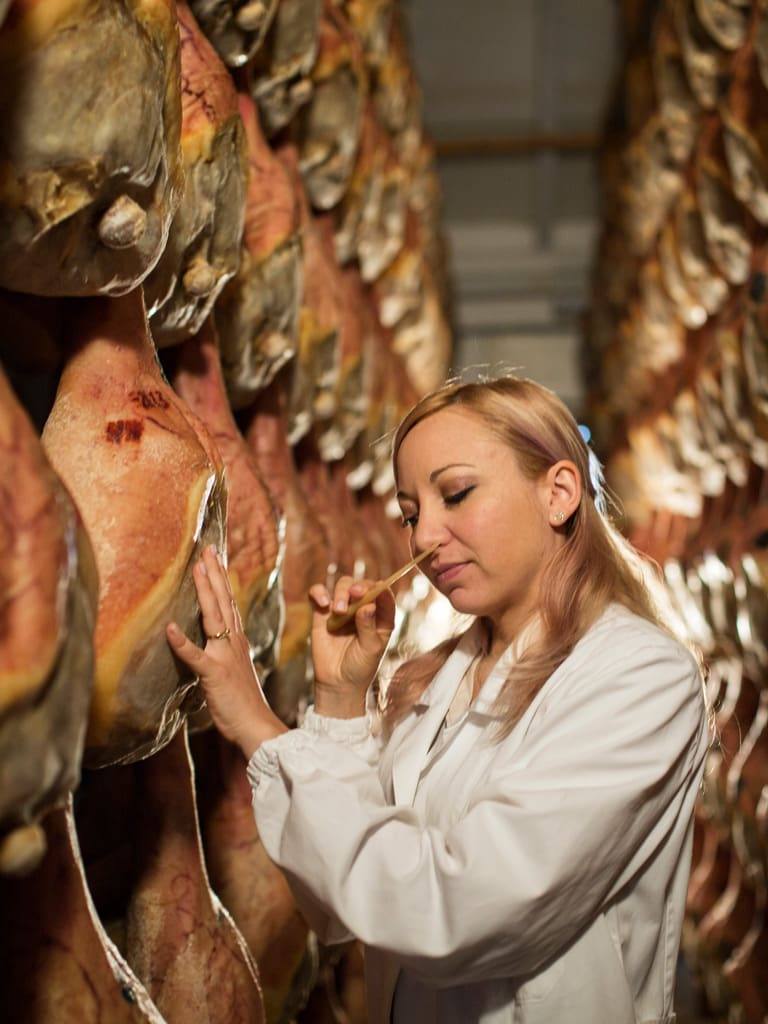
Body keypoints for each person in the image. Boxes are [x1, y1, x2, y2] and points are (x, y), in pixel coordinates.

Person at [167, 374, 709, 1024]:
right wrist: (341, 702)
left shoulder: (639, 676)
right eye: (410, 513)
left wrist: (259, 725)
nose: (424, 537)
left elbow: (451, 914)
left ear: (559, 493)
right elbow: (343, 906)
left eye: (456, 494)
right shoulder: (441, 679)